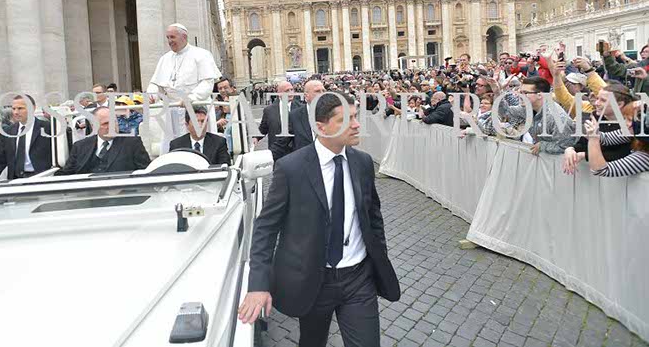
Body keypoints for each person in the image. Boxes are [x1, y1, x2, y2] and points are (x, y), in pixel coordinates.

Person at [239, 93, 400, 347]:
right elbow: (265, 228)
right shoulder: (291, 168)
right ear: (321, 127)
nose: (356, 124)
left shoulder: (363, 163)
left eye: (355, 117)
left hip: (359, 279)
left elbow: (373, 218)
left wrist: (378, 258)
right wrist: (258, 284)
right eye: (346, 119)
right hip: (313, 281)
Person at [146, 23, 222, 153]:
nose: (169, 41)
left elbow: (207, 83)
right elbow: (156, 84)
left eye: (172, 37)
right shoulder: (165, 59)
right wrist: (152, 95)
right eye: (168, 37)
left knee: (200, 146)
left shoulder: (202, 54)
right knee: (175, 145)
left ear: (184, 37)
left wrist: (190, 98)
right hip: (173, 109)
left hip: (197, 108)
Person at [562, 82, 634, 174]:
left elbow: (620, 154)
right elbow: (584, 143)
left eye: (603, 100)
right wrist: (571, 149)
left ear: (619, 104)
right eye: (597, 98)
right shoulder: (595, 117)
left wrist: (585, 155)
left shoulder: (631, 124)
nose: (596, 103)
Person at [56, 107, 151, 175]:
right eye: (105, 123)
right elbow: (66, 173)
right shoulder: (80, 147)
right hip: (87, 194)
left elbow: (146, 172)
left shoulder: (132, 143)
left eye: (114, 121)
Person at [0, 95, 53, 185]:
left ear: (33, 108)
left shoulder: (48, 128)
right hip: (15, 182)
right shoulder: (8, 132)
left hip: (42, 181)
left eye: (20, 108)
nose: (15, 112)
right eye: (14, 108)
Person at [497, 76, 576, 155]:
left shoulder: (557, 118)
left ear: (539, 95)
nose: (519, 96)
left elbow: (565, 147)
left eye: (525, 93)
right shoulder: (527, 109)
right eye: (520, 92)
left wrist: (543, 145)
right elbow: (505, 112)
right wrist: (497, 92)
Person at [585, 106, 649, 177]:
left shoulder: (645, 157)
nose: (624, 123)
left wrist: (593, 138)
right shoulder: (632, 132)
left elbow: (601, 170)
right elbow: (606, 138)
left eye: (629, 120)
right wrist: (592, 128)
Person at [256, 81, 295, 160]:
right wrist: (256, 138)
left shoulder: (301, 108)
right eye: (287, 91)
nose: (291, 92)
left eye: (292, 89)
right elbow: (263, 129)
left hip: (296, 153)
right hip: (277, 154)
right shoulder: (269, 110)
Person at [284, 80, 325, 152]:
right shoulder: (294, 116)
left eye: (323, 91)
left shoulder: (334, 113)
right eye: (317, 91)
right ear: (306, 96)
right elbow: (282, 143)